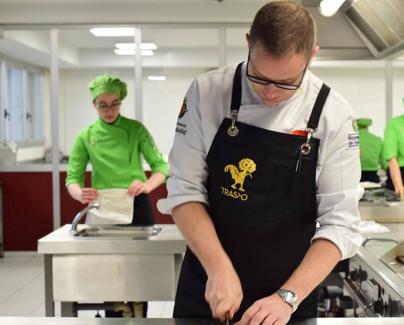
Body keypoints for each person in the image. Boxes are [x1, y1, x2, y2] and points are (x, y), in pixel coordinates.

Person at [157, 2, 362, 324]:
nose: (269, 93)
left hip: (289, 295)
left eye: (287, 83)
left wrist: (288, 297)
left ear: (312, 56)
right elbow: (184, 189)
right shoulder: (208, 91)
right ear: (249, 43)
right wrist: (218, 269)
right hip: (208, 283)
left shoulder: (333, 114)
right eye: (259, 77)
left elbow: (341, 223)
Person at [65, 74, 169, 317]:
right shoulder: (86, 135)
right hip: (102, 207)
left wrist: (146, 186)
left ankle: (139, 313)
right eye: (103, 105)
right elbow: (72, 178)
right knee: (108, 270)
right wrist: (81, 194)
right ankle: (114, 315)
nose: (109, 110)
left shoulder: (135, 130)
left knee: (139, 267)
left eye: (114, 104)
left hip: (137, 204)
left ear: (121, 102)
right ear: (94, 104)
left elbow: (161, 168)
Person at [357, 118, 384, 183]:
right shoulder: (377, 139)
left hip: (355, 178)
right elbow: (384, 162)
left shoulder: (351, 139)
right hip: (373, 178)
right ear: (368, 126)